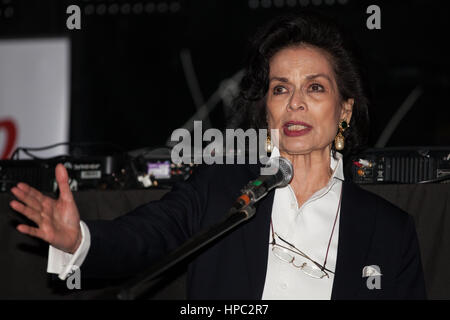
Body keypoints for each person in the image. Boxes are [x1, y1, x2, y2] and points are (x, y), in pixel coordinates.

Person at [9, 12, 426, 299]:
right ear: (267, 109)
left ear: (345, 110)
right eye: (281, 89)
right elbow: (145, 236)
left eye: (315, 87)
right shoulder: (221, 189)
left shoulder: (389, 229)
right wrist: (80, 239)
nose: (295, 103)